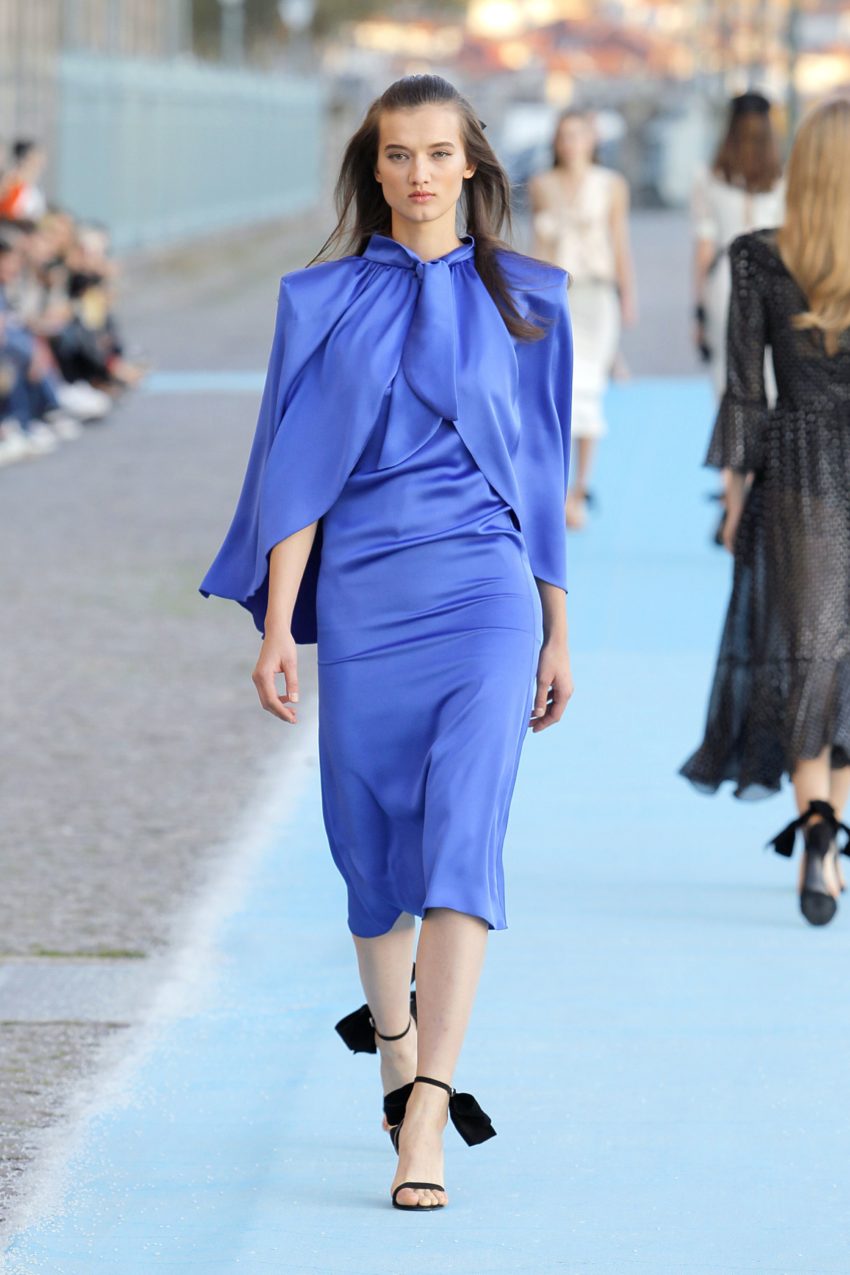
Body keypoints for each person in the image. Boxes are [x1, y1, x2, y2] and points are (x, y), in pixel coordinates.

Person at [199, 74, 574, 1210]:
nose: (419, 173)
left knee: (464, 835)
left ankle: (427, 1112)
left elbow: (541, 473)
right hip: (365, 596)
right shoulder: (316, 302)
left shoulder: (532, 299)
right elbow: (295, 473)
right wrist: (278, 622)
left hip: (485, 595)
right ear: (375, 168)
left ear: (472, 165)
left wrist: (558, 625)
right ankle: (394, 1040)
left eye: (439, 153)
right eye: (399, 154)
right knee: (369, 854)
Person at [680, 94, 850, 928]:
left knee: (806, 654)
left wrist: (733, 500)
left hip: (797, 474)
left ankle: (816, 823)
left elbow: (744, 392)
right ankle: (830, 832)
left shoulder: (757, 258)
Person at [528, 108, 636, 530]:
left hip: (598, 295)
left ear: (593, 140)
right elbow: (537, 245)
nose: (572, 143)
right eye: (564, 135)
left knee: (589, 391)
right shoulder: (542, 185)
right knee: (559, 392)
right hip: (556, 297)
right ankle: (557, 489)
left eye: (579, 135)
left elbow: (619, 240)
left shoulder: (611, 185)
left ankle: (580, 490)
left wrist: (627, 295)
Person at [691, 92, 785, 542]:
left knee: (730, 390)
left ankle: (733, 505)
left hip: (725, 283)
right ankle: (762, 500)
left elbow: (703, 247)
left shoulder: (710, 178)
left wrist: (696, 310)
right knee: (770, 389)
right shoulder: (782, 178)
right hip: (776, 284)